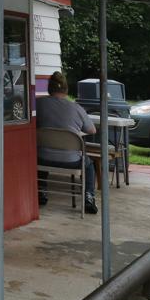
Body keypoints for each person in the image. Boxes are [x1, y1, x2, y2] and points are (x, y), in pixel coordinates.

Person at [37, 71, 98, 214]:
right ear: (66, 89)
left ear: (49, 88)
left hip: (42, 158)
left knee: (43, 149)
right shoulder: (76, 108)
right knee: (89, 165)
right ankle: (88, 196)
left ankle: (41, 191)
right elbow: (92, 130)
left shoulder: (38, 104)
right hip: (71, 160)